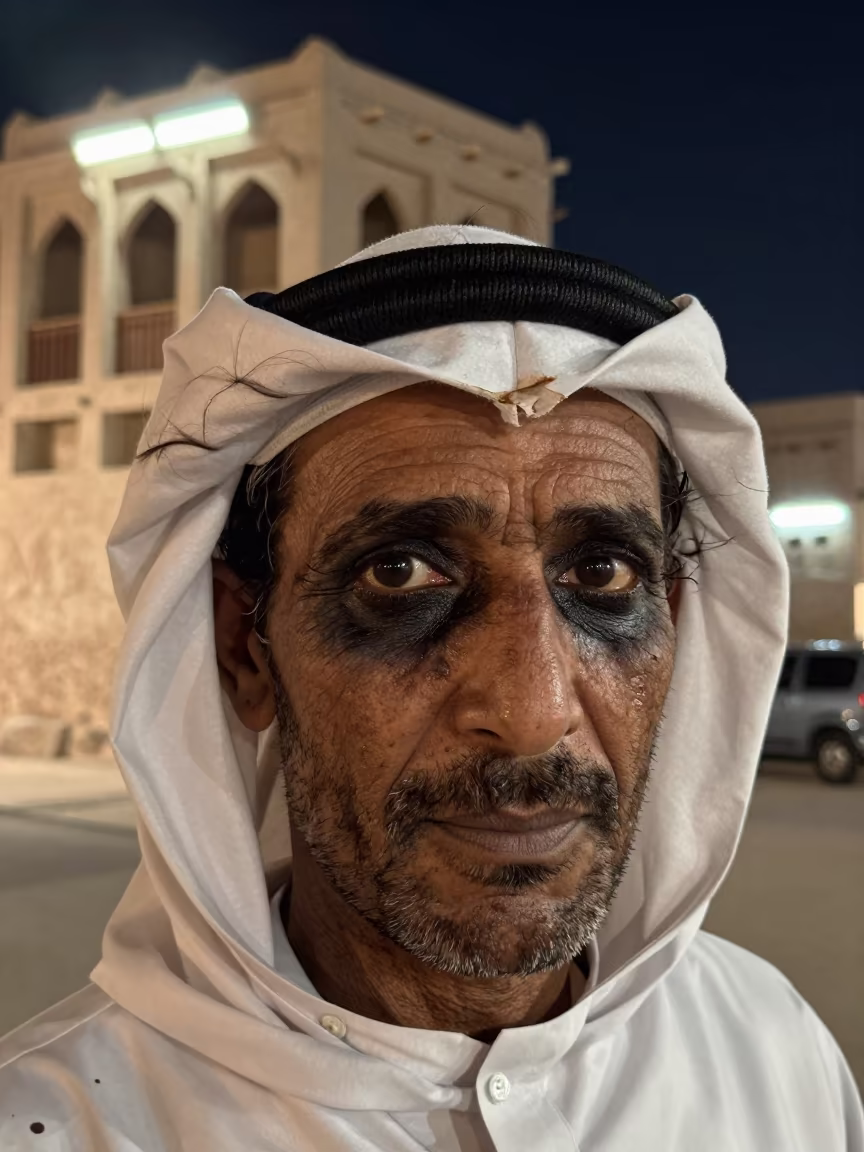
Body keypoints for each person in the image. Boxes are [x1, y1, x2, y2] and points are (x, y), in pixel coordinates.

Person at [1, 225, 861, 1151]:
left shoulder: (772, 1053)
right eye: (402, 575)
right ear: (243, 647)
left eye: (604, 576)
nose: (534, 715)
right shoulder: (61, 1125)